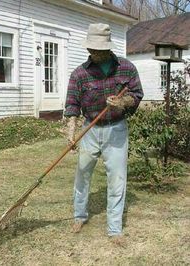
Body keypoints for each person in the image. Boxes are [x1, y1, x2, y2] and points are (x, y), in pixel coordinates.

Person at [64, 23, 144, 239]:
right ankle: (79, 216)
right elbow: (72, 104)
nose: (92, 52)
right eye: (90, 48)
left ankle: (114, 228)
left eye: (96, 49)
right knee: (82, 175)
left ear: (107, 47)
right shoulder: (79, 74)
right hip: (89, 130)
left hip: (116, 130)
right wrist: (71, 133)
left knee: (117, 179)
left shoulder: (126, 68)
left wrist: (122, 102)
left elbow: (136, 95)